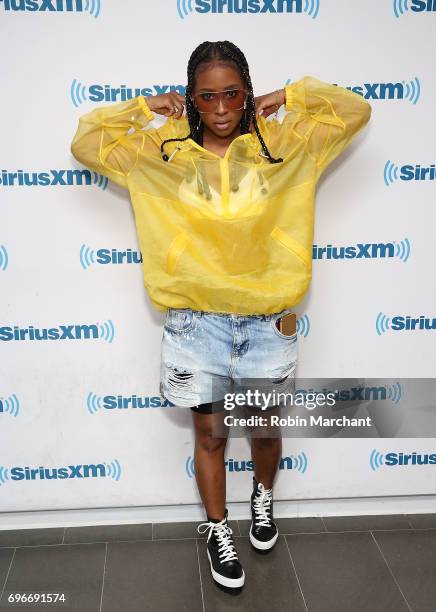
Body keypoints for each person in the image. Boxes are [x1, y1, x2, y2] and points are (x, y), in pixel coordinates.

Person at [70, 40, 372, 590]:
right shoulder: (157, 151)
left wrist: (291, 95)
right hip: (195, 325)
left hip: (267, 323)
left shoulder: (288, 143)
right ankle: (216, 528)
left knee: (262, 431)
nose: (222, 107)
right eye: (207, 96)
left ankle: (262, 496)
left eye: (233, 93)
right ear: (191, 98)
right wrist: (142, 109)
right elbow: (86, 141)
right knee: (209, 436)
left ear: (248, 93)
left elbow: (356, 111)